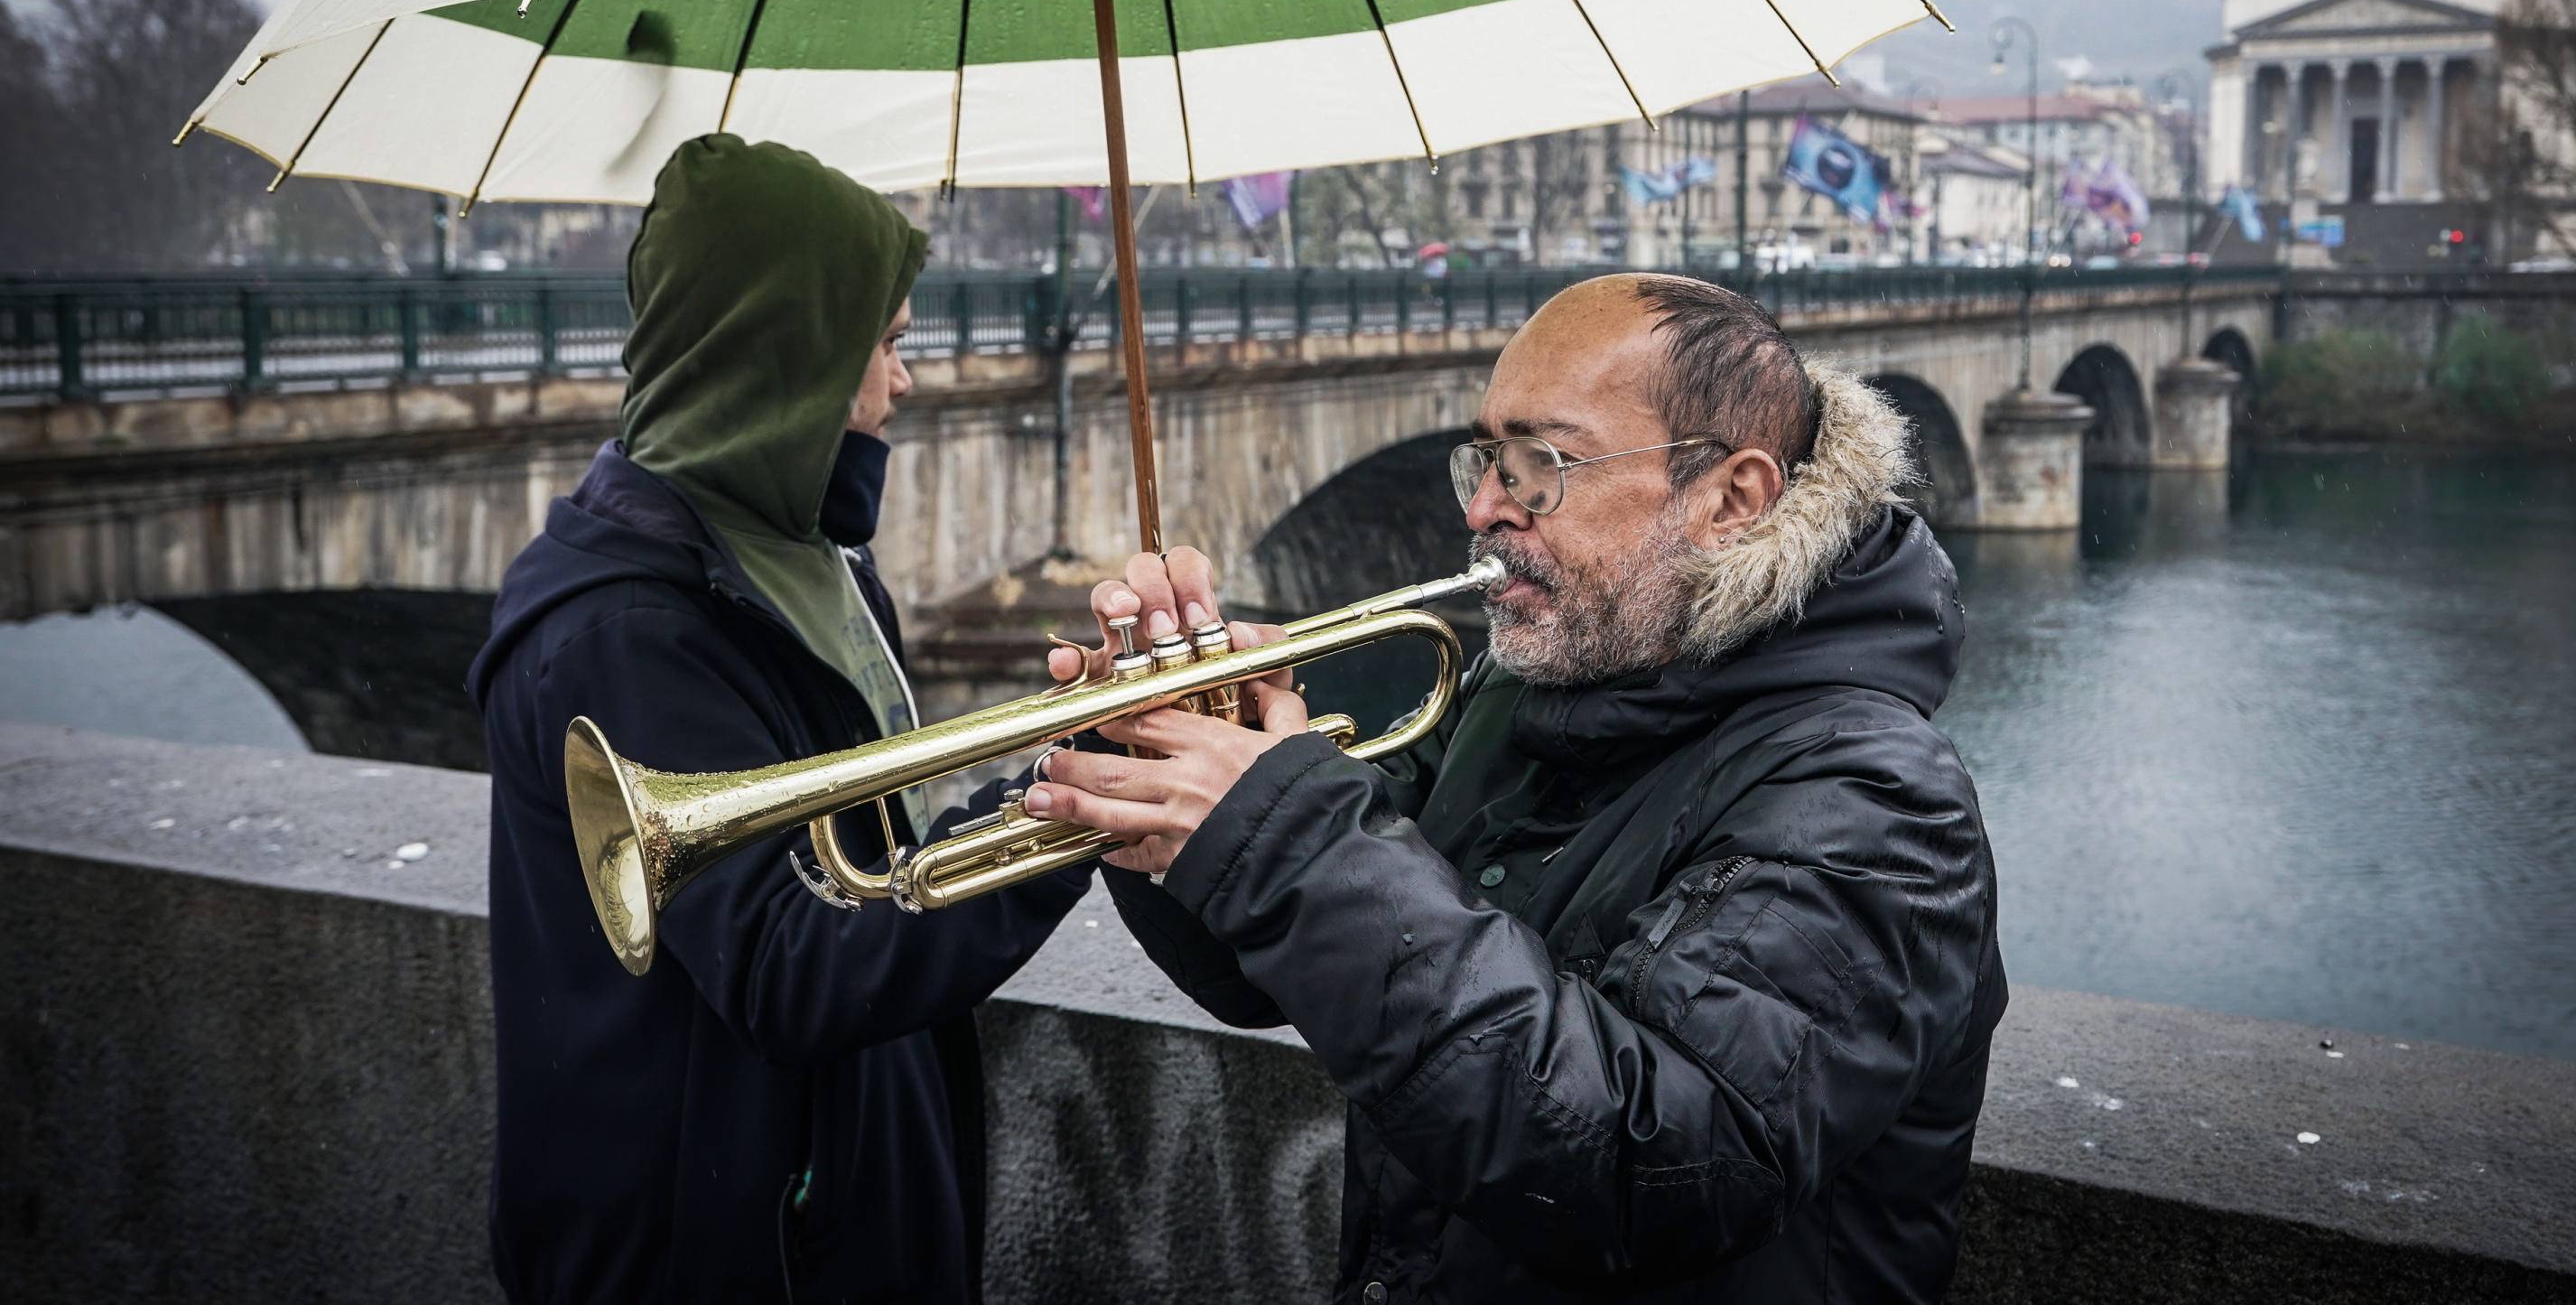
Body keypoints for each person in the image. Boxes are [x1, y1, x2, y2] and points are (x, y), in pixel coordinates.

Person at [1028, 274, 2006, 1302]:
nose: (1488, 505)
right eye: (1487, 457)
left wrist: (1286, 828)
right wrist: (1175, 766)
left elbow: (1656, 1168)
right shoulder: (1525, 680)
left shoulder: (1883, 799)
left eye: (1545, 464)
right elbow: (1267, 968)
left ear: (1733, 497)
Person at [470, 135, 1086, 1304]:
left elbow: (871, 864)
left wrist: (1085, 744)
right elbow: (796, 963)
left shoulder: (796, 561)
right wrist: (1078, 802)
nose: (905, 382)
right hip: (719, 1249)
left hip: (822, 1210)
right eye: (888, 344)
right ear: (790, 360)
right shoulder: (628, 634)